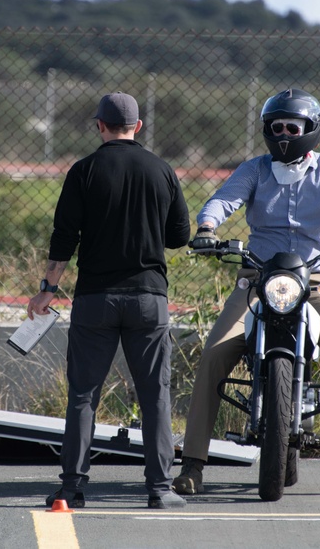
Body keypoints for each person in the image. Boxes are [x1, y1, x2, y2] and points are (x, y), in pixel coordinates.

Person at [173, 88, 320, 497]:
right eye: (277, 127)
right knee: (214, 352)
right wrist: (207, 228)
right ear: (266, 131)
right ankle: (192, 465)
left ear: (312, 130)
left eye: (294, 126)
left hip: (317, 283)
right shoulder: (254, 169)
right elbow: (222, 201)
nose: (285, 134)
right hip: (258, 281)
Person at [27, 92, 191, 510]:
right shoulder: (162, 170)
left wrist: (48, 288)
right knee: (155, 394)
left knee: (83, 394)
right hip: (149, 298)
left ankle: (71, 487)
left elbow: (64, 237)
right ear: (138, 127)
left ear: (99, 126)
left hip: (95, 299)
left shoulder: (84, 171)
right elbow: (178, 237)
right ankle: (160, 489)